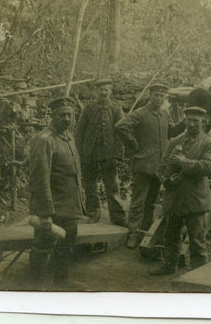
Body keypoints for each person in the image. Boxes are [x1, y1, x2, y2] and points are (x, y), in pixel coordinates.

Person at [150, 107, 211, 275]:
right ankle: (169, 266)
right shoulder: (175, 141)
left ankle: (199, 274)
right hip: (174, 197)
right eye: (189, 120)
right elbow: (161, 168)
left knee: (197, 239)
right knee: (171, 236)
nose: (192, 124)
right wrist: (167, 180)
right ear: (184, 120)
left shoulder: (209, 143)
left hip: (194, 198)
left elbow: (209, 167)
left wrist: (184, 162)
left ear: (203, 121)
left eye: (196, 120)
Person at [28, 97, 85, 290]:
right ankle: (34, 287)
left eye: (70, 115)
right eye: (62, 115)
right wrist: (44, 212)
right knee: (42, 245)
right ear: (53, 116)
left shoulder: (68, 137)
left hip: (68, 205)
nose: (67, 119)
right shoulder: (45, 140)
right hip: (52, 207)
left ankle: (62, 281)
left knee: (67, 243)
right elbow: (40, 178)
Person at [115, 84, 171, 248]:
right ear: (150, 95)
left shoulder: (165, 115)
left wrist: (185, 125)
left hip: (159, 167)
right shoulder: (141, 113)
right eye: (156, 95)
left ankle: (146, 232)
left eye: (162, 95)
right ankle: (132, 234)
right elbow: (121, 126)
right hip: (143, 164)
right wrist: (133, 144)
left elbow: (171, 132)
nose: (159, 98)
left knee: (152, 202)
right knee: (138, 201)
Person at [74, 78, 127, 226]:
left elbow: (121, 133)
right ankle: (93, 213)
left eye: (106, 90)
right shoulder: (88, 108)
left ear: (111, 91)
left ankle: (117, 216)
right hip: (88, 154)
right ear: (95, 91)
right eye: (101, 90)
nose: (103, 92)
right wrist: (78, 153)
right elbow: (79, 132)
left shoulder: (117, 109)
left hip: (108, 155)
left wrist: (118, 154)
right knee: (90, 185)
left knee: (112, 186)